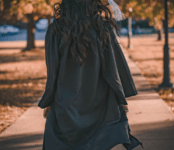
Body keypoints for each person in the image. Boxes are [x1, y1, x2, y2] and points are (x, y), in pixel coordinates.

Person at [38, 0, 143, 149]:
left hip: (66, 102)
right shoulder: (102, 28)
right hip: (100, 100)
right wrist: (121, 97)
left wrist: (48, 100)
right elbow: (112, 69)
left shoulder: (55, 30)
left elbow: (52, 71)